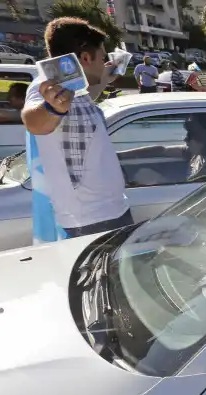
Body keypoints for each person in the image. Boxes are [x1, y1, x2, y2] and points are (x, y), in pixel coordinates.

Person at [22, 17, 130, 240]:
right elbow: (34, 121)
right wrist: (51, 109)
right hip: (91, 220)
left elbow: (78, 108)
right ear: (86, 58)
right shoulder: (46, 88)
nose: (105, 62)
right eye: (102, 57)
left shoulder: (74, 92)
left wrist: (102, 81)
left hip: (111, 209)